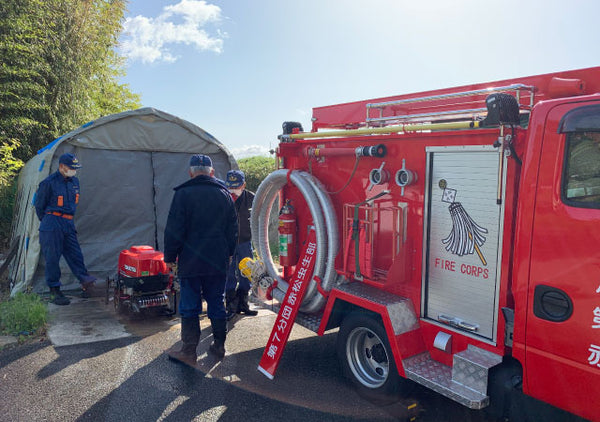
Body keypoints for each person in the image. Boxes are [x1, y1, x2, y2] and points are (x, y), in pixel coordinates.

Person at [164, 154, 238, 362]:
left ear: (191, 172)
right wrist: (230, 253)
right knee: (216, 301)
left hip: (191, 260)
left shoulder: (183, 194)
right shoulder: (224, 195)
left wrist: (170, 256)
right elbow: (233, 229)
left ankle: (188, 351)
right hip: (218, 259)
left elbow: (174, 229)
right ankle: (219, 346)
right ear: (212, 172)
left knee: (189, 304)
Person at [34, 153, 97, 306]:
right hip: (52, 223)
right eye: (71, 168)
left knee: (75, 254)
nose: (74, 171)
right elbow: (39, 207)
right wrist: (50, 221)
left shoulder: (74, 182)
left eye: (75, 168)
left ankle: (86, 283)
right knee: (52, 259)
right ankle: (55, 291)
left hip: (68, 223)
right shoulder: (48, 183)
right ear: (62, 167)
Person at [224, 170, 258, 319]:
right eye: (230, 186)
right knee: (229, 274)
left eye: (236, 186)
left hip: (245, 242)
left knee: (247, 273)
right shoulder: (222, 197)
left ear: (243, 185)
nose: (233, 190)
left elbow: (261, 215)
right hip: (227, 244)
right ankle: (230, 306)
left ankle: (243, 303)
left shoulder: (252, 198)